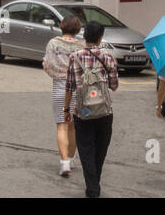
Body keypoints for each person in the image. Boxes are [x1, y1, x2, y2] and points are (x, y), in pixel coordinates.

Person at [64, 20, 119, 198]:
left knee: (86, 151)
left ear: (85, 35)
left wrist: (66, 110)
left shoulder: (75, 56)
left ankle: (93, 189)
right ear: (101, 37)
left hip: (83, 112)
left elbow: (70, 86)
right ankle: (94, 186)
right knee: (100, 152)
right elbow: (114, 85)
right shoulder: (108, 57)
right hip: (104, 111)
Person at [42, 15, 85, 177]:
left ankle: (64, 162)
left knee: (61, 124)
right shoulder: (82, 45)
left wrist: (56, 73)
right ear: (77, 28)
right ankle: (72, 159)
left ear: (62, 26)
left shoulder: (53, 43)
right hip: (79, 88)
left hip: (60, 85)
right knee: (74, 125)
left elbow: (47, 65)